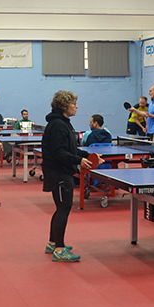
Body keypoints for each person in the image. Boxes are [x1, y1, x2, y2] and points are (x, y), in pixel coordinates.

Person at [42, 90, 92, 263]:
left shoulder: (64, 123)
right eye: (73, 103)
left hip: (62, 171)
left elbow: (71, 148)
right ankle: (59, 250)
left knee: (60, 208)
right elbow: (59, 152)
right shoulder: (58, 125)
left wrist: (87, 156)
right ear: (64, 106)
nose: (76, 106)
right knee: (63, 209)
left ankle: (52, 243)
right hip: (58, 173)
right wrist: (79, 160)